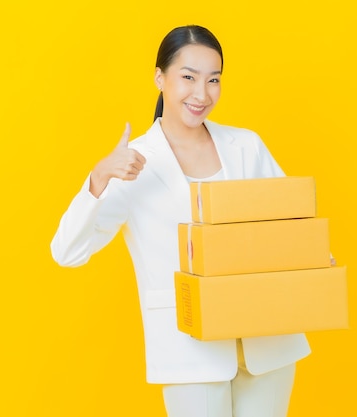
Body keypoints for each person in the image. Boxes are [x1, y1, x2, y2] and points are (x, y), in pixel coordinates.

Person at [50, 25, 311, 417]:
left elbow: (291, 224)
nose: (201, 94)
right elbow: (66, 252)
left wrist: (312, 257)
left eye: (213, 80)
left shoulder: (247, 146)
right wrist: (99, 178)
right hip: (188, 348)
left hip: (267, 340)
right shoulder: (132, 165)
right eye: (188, 77)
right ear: (160, 77)